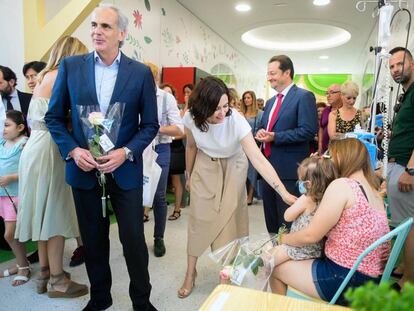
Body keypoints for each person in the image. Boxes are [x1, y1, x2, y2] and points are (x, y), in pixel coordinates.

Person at [44, 4, 159, 311]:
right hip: (84, 169)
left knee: (133, 240)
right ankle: (100, 298)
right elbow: (54, 118)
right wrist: (73, 149)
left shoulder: (140, 73)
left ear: (121, 34)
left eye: (105, 26)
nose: (96, 31)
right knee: (93, 239)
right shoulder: (71, 67)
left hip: (125, 170)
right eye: (94, 25)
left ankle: (141, 301)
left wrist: (125, 151)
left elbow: (150, 125)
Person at [178, 76, 296, 299]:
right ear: (202, 106)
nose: (222, 113)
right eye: (215, 108)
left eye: (225, 106)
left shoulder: (236, 120)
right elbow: (191, 147)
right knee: (198, 219)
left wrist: (283, 191)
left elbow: (258, 159)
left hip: (234, 164)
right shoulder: (191, 119)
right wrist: (189, 174)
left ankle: (229, 272)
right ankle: (190, 272)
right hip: (205, 164)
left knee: (231, 220)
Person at [271, 138, 390, 305]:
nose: (329, 162)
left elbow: (310, 235)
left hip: (345, 279)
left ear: (341, 157)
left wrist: (282, 238)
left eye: (330, 157)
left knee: (275, 269)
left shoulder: (343, 185)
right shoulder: (374, 191)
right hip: (372, 279)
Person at [15, 36, 89, 298]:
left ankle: (45, 272)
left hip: (36, 147)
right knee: (55, 213)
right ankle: (58, 281)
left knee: (43, 212)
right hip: (49, 149)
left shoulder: (45, 76)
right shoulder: (60, 76)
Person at [256, 55, 318, 235]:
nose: (269, 77)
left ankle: (287, 256)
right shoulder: (270, 102)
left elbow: (308, 130)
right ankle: (275, 255)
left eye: (273, 73)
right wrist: (260, 132)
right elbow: (266, 127)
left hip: (289, 171)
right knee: (271, 220)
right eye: (268, 74)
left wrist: (276, 137)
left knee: (288, 220)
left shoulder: (303, 96)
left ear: (287, 72)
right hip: (267, 169)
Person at [269, 156, 337, 272]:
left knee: (267, 261)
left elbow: (287, 216)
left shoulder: (306, 199)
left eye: (300, 180)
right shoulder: (327, 200)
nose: (298, 182)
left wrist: (295, 206)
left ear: (308, 184)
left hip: (297, 247)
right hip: (316, 250)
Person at [143, 62, 183, 257]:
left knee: (158, 196)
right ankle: (135, 240)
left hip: (161, 149)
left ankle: (159, 237)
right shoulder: (134, 95)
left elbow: (179, 128)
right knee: (134, 197)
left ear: (156, 78)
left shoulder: (166, 99)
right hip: (137, 150)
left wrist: (154, 128)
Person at [387, 46, 414, 289]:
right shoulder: (406, 94)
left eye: (400, 64)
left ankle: (409, 282)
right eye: (392, 66)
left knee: (409, 224)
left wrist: (412, 169)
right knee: (402, 224)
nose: (396, 69)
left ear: (412, 63)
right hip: (399, 164)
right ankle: (406, 265)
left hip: (408, 166)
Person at [0, 110, 29, 286]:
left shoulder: (24, 144)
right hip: (3, 196)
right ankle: (21, 264)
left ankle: (24, 267)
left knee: (10, 234)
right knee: (11, 234)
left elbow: (29, 169)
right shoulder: (3, 143)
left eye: (7, 125)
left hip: (16, 195)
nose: (4, 129)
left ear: (20, 127)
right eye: (3, 125)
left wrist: (11, 178)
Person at [240, 90, 263, 205]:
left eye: (248, 98)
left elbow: (261, 129)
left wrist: (258, 145)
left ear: (253, 99)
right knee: (242, 170)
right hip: (240, 146)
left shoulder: (259, 113)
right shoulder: (240, 113)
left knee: (252, 171)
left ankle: (250, 196)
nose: (246, 100)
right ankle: (243, 195)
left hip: (254, 145)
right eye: (244, 98)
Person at [318, 84, 342, 154]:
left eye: (332, 92)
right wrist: (320, 146)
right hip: (325, 151)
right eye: (327, 93)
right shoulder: (326, 110)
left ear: (341, 94)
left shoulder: (345, 111)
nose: (328, 95)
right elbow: (321, 128)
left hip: (340, 150)